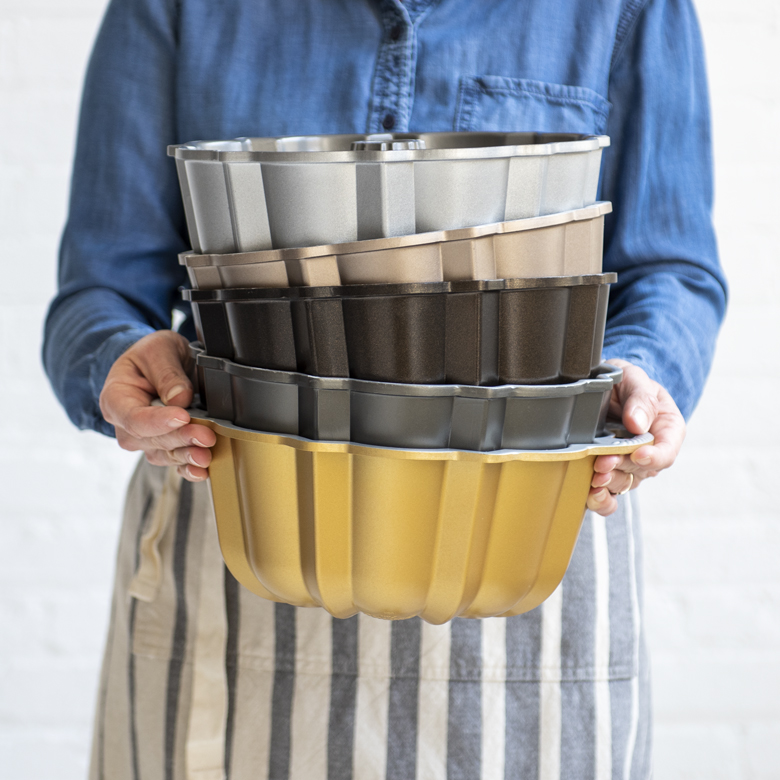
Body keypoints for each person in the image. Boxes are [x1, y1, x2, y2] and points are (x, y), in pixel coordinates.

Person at [44, 0, 726, 778]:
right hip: (241, 539)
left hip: (528, 542)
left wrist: (640, 372)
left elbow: (670, 269)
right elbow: (99, 287)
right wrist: (120, 358)